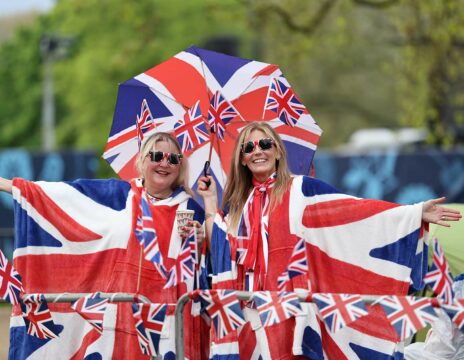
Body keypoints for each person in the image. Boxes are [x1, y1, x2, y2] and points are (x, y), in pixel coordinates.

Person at [197, 122, 461, 359]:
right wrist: (210, 201)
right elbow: (221, 248)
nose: (258, 151)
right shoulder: (237, 208)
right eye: (249, 147)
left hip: (293, 313)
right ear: (242, 159)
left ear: (277, 151)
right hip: (252, 316)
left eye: (265, 143)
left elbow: (356, 211)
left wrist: (413, 213)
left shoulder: (302, 189)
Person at [0, 132, 209, 359]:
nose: (164, 163)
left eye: (173, 159)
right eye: (157, 155)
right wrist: (9, 185)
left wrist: (202, 241)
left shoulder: (190, 210)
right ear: (142, 160)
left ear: (180, 166)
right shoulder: (118, 195)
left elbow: (208, 269)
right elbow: (65, 196)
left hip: (167, 323)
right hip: (117, 321)